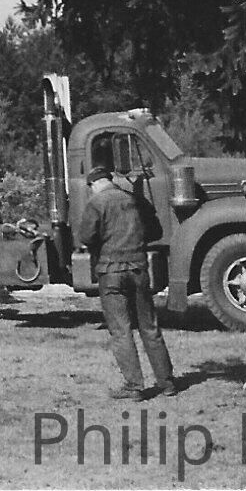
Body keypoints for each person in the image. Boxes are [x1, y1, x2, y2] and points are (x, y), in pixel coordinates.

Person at [74, 164, 177, 400]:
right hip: (139, 269)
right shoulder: (135, 200)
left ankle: (134, 387)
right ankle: (167, 383)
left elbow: (86, 237)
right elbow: (155, 231)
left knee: (121, 330)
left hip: (110, 272)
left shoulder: (96, 203)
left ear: (94, 184)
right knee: (149, 327)